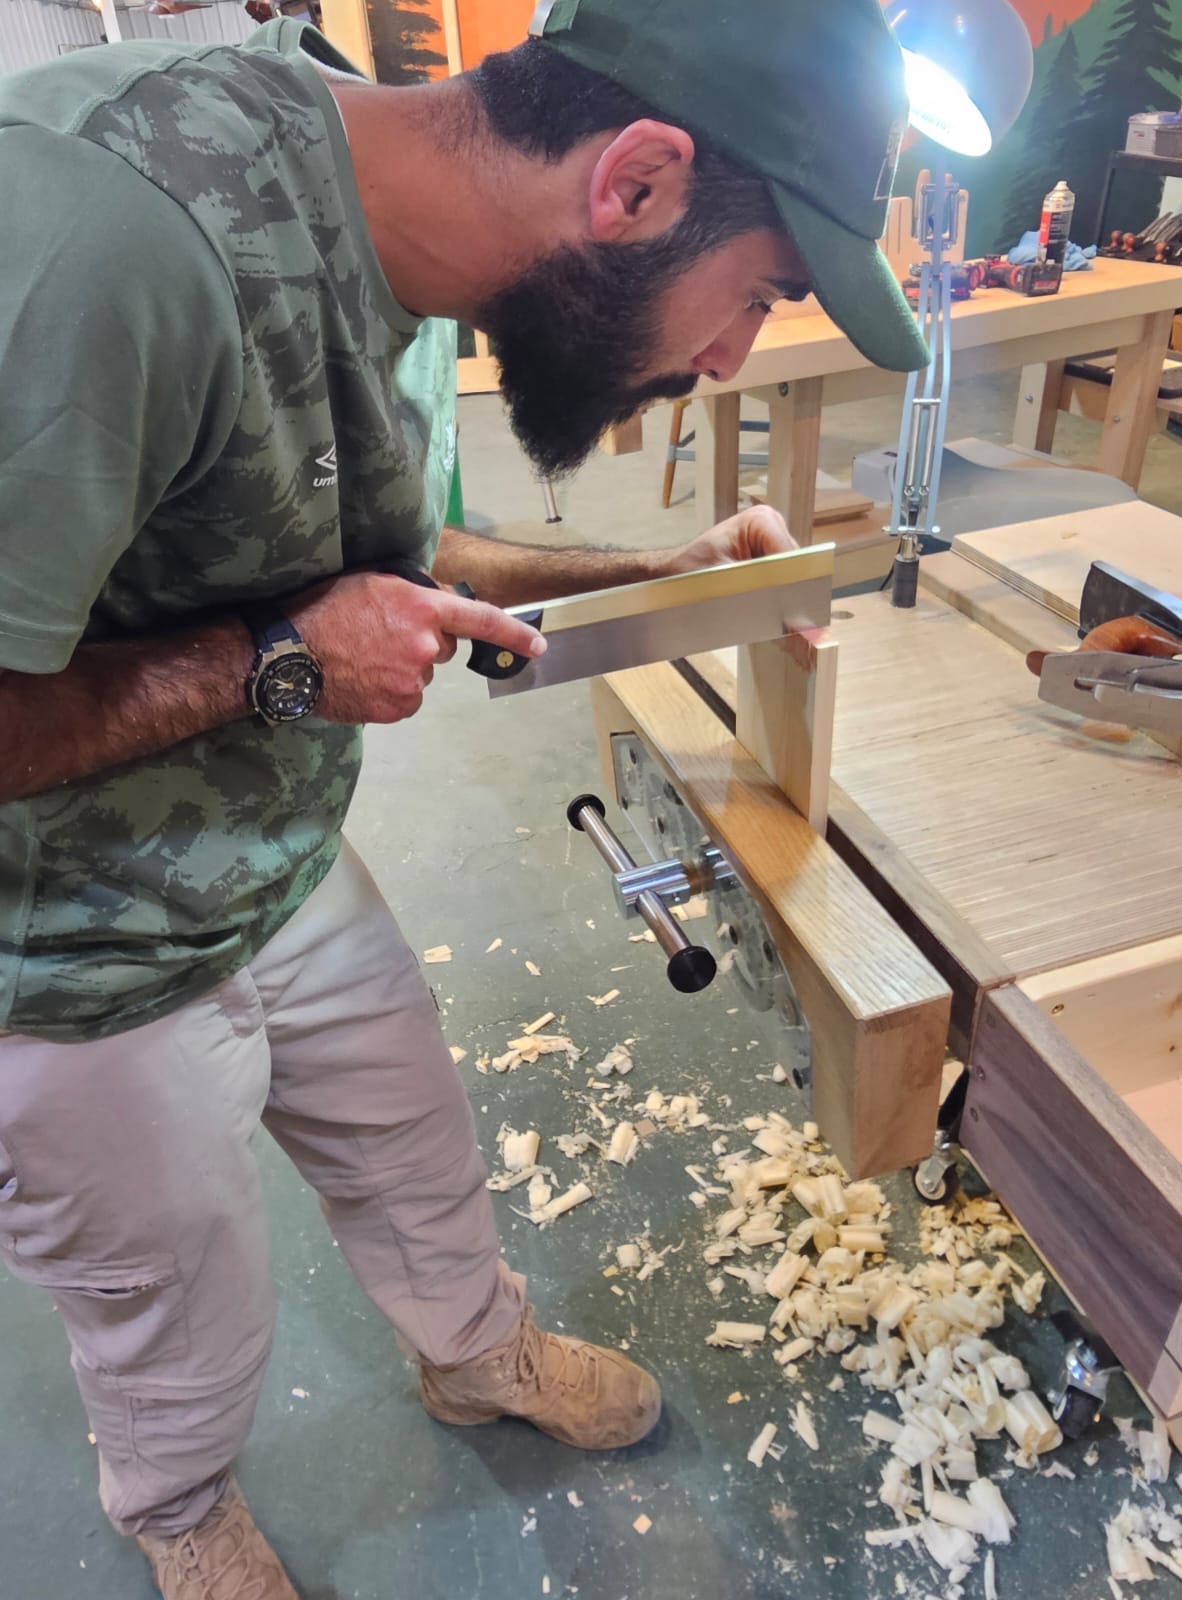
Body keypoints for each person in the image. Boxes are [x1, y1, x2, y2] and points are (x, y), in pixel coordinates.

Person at [0, 1, 926, 1595]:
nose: (727, 360)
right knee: (173, 1288)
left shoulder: (427, 245)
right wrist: (278, 665)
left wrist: (663, 574)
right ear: (634, 183)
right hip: (65, 956)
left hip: (276, 850)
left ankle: (473, 1352)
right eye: (759, 294)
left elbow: (404, 555)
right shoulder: (107, 236)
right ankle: (176, 1504)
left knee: (414, 1140)